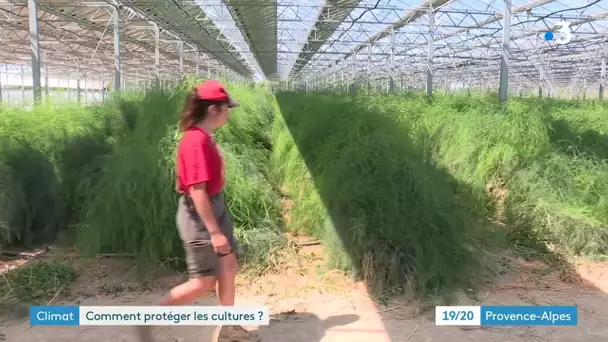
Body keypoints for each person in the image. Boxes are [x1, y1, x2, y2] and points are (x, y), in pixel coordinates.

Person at [136, 80, 257, 342]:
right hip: (200, 216)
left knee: (228, 265)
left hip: (214, 207)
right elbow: (197, 191)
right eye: (227, 108)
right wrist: (214, 232)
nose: (229, 112)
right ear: (213, 109)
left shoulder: (204, 137)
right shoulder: (194, 142)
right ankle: (149, 319)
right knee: (203, 281)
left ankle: (228, 328)